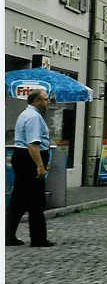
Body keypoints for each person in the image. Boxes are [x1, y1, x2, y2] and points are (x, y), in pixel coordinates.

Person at [6, 90, 54, 247]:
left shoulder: (26, 114)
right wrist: (40, 166)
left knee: (18, 200)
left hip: (22, 157)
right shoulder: (33, 117)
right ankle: (38, 238)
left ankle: (7, 236)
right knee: (36, 201)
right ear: (36, 101)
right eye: (46, 100)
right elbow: (33, 144)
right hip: (30, 159)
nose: (48, 102)